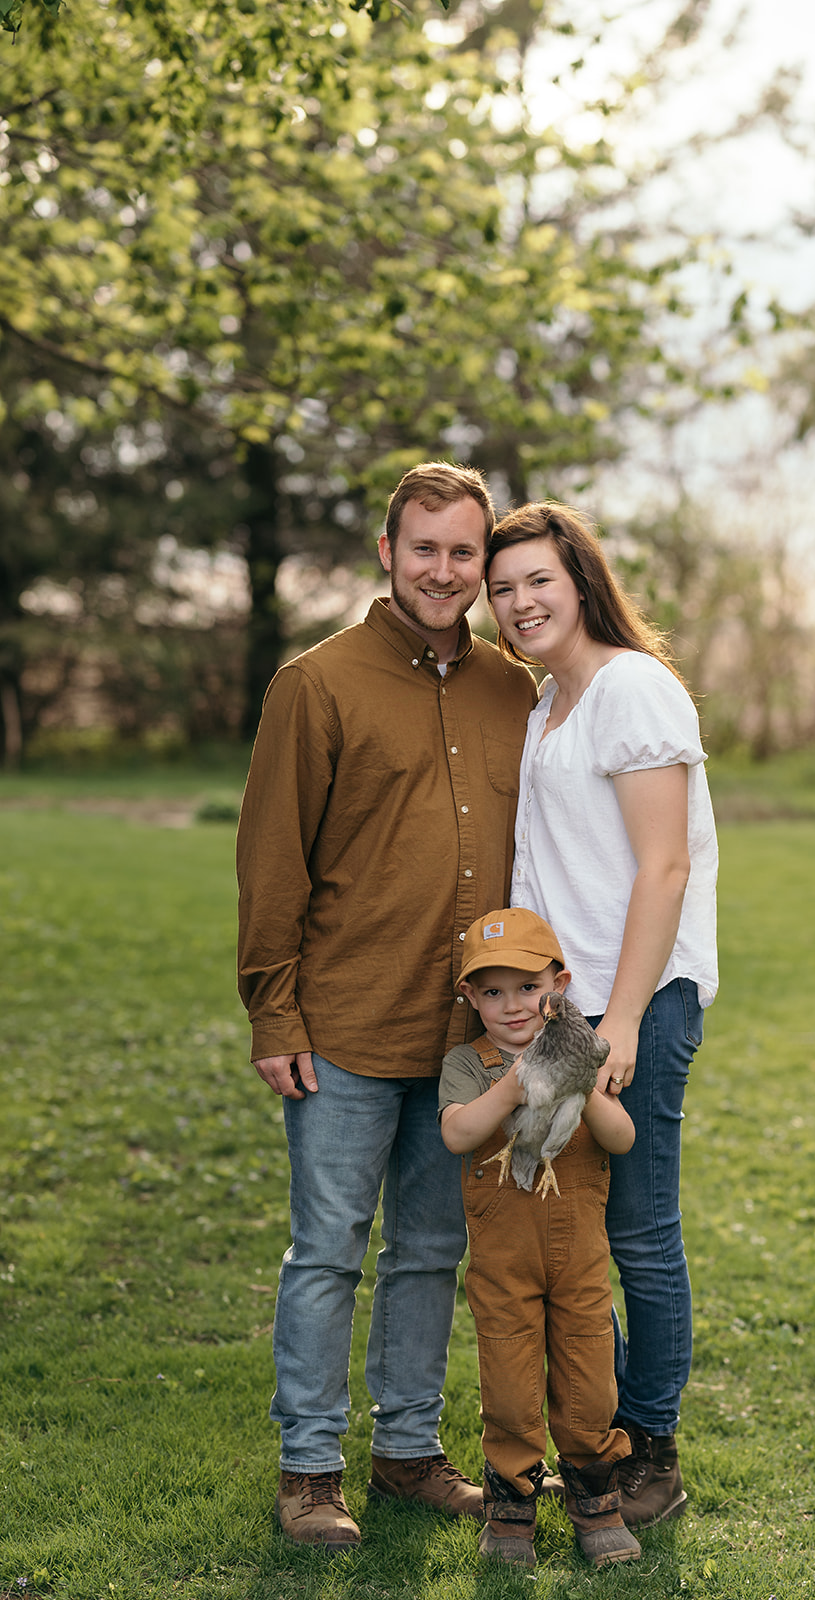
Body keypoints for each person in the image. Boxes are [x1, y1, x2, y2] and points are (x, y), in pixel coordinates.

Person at [236, 461, 538, 1552]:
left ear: (483, 561)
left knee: (428, 1252)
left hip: (467, 1040)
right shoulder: (314, 684)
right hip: (348, 1026)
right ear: (386, 552)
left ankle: (408, 1452)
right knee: (326, 1251)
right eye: (426, 549)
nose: (446, 571)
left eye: (466, 552)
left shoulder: (516, 688)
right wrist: (275, 1013)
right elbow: (272, 861)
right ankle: (310, 1469)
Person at [484, 502, 718, 1528]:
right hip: (562, 1014)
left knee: (639, 1230)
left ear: (580, 578)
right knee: (568, 1235)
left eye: (537, 578)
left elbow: (663, 867)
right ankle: (600, 1437)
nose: (520, 601)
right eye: (504, 588)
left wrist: (619, 1021)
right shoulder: (545, 706)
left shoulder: (633, 687)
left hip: (639, 1004)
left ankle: (650, 1447)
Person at [439, 906, 640, 1570]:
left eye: (528, 987)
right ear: (469, 996)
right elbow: (459, 1134)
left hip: (580, 1258)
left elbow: (623, 1139)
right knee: (508, 1385)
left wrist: (583, 1087)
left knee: (590, 1383)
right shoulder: (469, 1064)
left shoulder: (588, 1055)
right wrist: (517, 1086)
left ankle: (594, 1497)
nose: (512, 1005)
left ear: (560, 983)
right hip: (504, 1261)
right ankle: (512, 1504)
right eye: (491, 991)